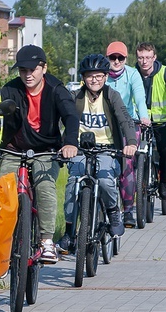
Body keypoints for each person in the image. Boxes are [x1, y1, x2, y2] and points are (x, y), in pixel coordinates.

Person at [0, 45, 79, 264]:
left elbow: (71, 116)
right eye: (23, 70)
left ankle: (46, 241)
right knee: (4, 187)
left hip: (47, 151)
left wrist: (70, 142)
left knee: (44, 186)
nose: (28, 74)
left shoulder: (56, 89)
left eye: (33, 69)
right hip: (15, 149)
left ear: (44, 68)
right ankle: (3, 242)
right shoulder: (10, 90)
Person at [58, 54, 138, 254]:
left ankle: (113, 212)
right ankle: (69, 231)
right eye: (90, 76)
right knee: (73, 182)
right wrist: (60, 144)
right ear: (83, 78)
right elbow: (63, 122)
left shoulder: (112, 96)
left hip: (108, 149)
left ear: (105, 77)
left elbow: (125, 120)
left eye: (99, 76)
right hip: (80, 149)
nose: (94, 80)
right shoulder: (75, 97)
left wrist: (131, 143)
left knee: (104, 180)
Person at [104, 41, 149, 227]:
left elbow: (139, 97)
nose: (116, 61)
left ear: (125, 59)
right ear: (107, 58)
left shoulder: (132, 74)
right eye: (113, 57)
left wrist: (144, 116)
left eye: (120, 57)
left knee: (127, 165)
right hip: (106, 124)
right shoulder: (101, 75)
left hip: (129, 122)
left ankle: (128, 209)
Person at [134, 43, 166, 200]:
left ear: (154, 57)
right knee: (130, 151)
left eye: (148, 57)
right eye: (141, 58)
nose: (144, 61)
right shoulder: (132, 73)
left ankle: (164, 182)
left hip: (162, 121)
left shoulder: (165, 72)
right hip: (139, 121)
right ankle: (135, 182)